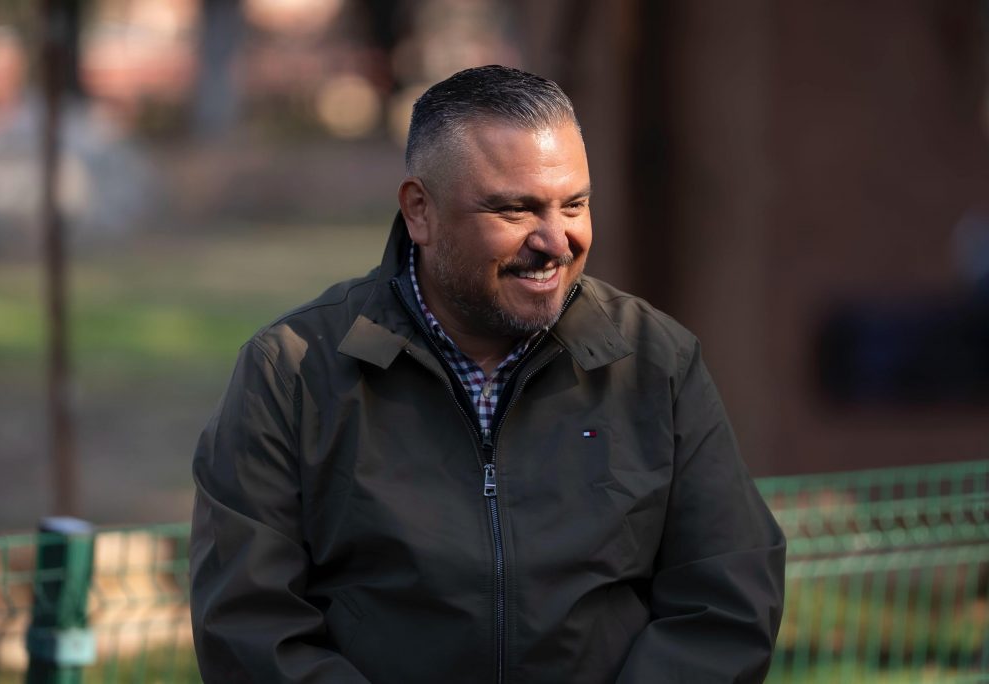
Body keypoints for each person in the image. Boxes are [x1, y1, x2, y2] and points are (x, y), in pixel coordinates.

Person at [190, 65, 785, 683]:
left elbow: (727, 599)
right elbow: (250, 626)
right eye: (514, 210)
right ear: (420, 210)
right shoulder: (292, 372)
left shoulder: (656, 360)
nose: (556, 241)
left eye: (574, 204)